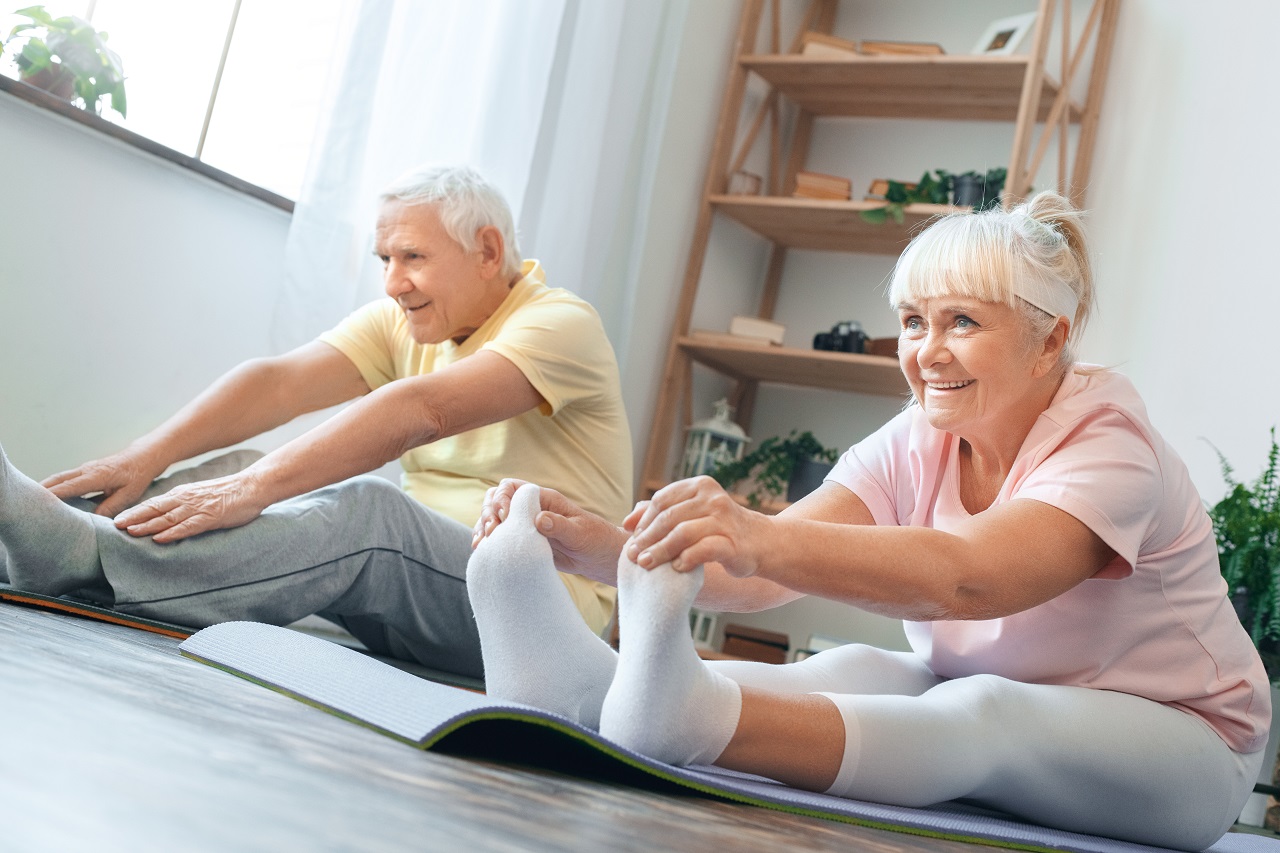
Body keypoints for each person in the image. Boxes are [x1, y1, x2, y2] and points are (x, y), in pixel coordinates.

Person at [468, 192, 1270, 850]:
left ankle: (691, 720)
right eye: (914, 322)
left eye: (963, 321)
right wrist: (602, 550)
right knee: (852, 666)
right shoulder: (921, 432)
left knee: (983, 713)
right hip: (1004, 691)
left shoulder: (1111, 444)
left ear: (1049, 339)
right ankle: (584, 697)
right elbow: (756, 572)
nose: (927, 351)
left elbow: (968, 576)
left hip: (1190, 747)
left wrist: (756, 530)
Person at [0, 163, 632, 679]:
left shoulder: (559, 324)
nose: (392, 282)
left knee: (370, 514)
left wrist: (251, 493)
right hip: (436, 592)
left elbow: (421, 411)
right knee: (246, 467)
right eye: (384, 258)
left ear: (487, 251)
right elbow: (276, 384)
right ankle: (67, 536)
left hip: (542, 613)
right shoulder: (408, 320)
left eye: (412, 256)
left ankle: (82, 560)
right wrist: (145, 456)